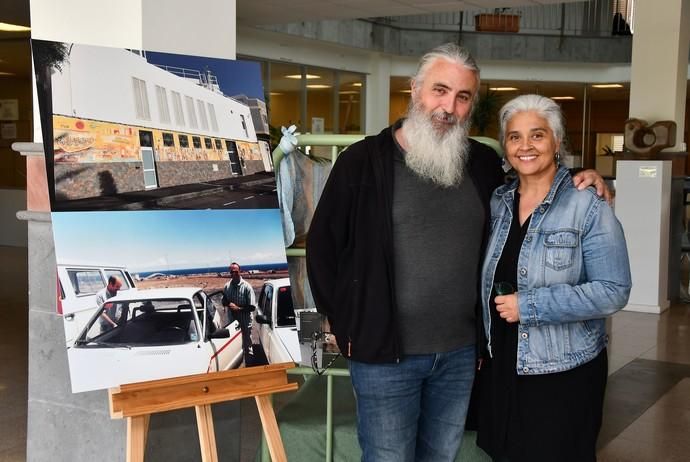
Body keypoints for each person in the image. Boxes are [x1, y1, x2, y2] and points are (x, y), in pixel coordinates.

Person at [306, 43, 610, 462]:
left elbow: (532, 178)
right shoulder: (362, 163)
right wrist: (348, 324)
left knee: (442, 457)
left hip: (460, 355)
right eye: (440, 90)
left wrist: (578, 175)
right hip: (383, 358)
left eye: (463, 97)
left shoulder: (481, 163)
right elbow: (323, 249)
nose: (448, 106)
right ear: (415, 90)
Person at [476, 94, 631, 462]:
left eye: (537, 135)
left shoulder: (587, 204)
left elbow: (614, 291)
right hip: (503, 362)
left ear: (557, 142)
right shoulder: (497, 202)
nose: (525, 146)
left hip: (563, 371)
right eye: (514, 137)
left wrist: (529, 306)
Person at [222, 262, 256, 360]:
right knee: (234, 345)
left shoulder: (247, 287)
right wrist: (229, 304)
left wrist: (238, 308)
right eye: (232, 272)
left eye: (236, 272)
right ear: (230, 273)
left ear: (240, 272)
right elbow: (223, 301)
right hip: (233, 323)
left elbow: (252, 307)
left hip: (245, 322)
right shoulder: (227, 286)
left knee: (247, 345)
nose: (234, 274)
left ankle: (250, 364)